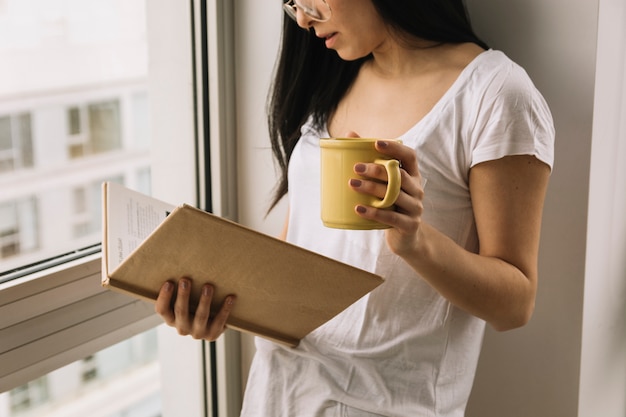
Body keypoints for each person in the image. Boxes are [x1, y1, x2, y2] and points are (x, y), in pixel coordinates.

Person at [155, 0, 555, 415]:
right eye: (292, 5)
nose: (304, 20)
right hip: (275, 392)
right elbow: (300, 249)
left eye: (308, 0)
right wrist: (216, 301)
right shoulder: (333, 77)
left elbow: (515, 304)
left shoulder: (495, 93)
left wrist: (415, 242)